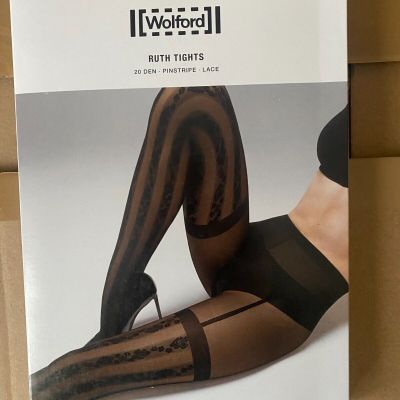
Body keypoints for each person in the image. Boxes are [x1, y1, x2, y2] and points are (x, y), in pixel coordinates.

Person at [31, 86, 349, 400]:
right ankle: (119, 299)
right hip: (247, 243)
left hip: (285, 299)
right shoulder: (370, 90)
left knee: (70, 376)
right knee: (191, 95)